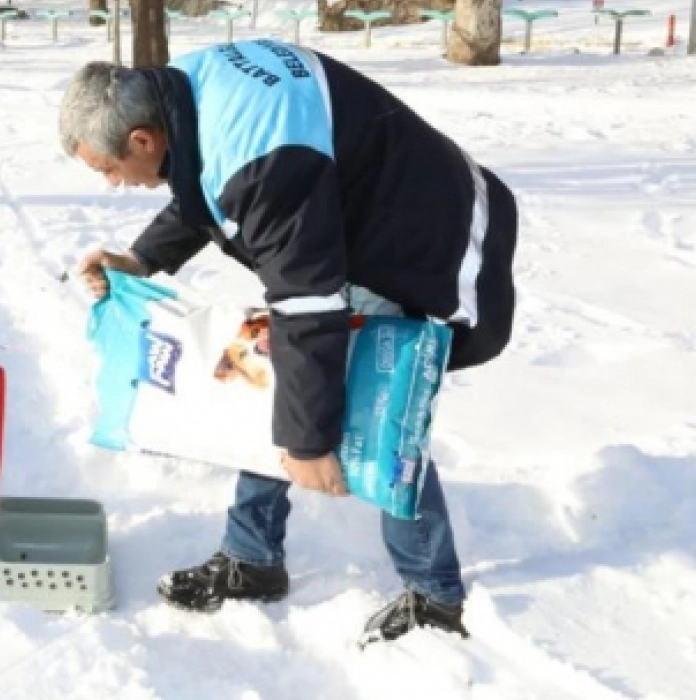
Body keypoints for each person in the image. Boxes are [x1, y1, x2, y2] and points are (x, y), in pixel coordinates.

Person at [59, 39, 518, 644]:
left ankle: (434, 594)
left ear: (142, 139)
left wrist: (308, 442)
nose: (115, 183)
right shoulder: (187, 87)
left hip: (434, 240)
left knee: (386, 406)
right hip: (355, 218)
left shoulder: (265, 159)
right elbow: (206, 182)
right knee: (273, 373)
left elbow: (308, 300)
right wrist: (143, 258)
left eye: (108, 169)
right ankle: (253, 556)